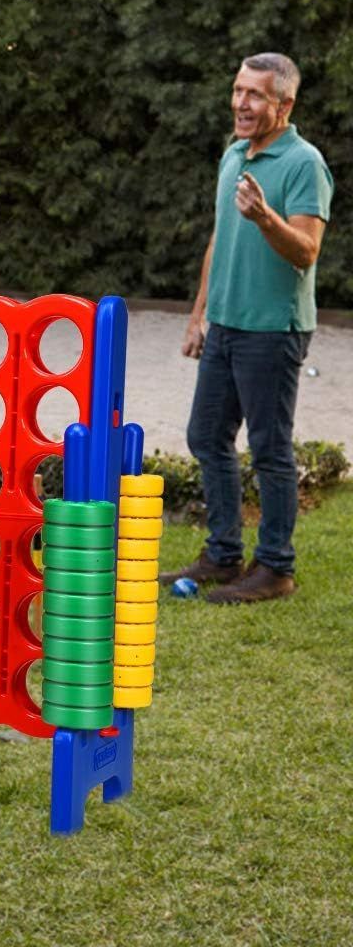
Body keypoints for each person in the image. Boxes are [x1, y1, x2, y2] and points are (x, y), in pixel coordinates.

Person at [160, 53, 333, 604]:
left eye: (255, 95)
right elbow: (219, 239)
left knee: (269, 448)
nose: (241, 103)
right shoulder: (234, 156)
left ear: (285, 104)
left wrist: (266, 218)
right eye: (238, 90)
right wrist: (197, 314)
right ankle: (224, 553)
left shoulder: (304, 164)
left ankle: (275, 567)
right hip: (226, 324)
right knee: (206, 436)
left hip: (273, 330)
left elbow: (306, 251)